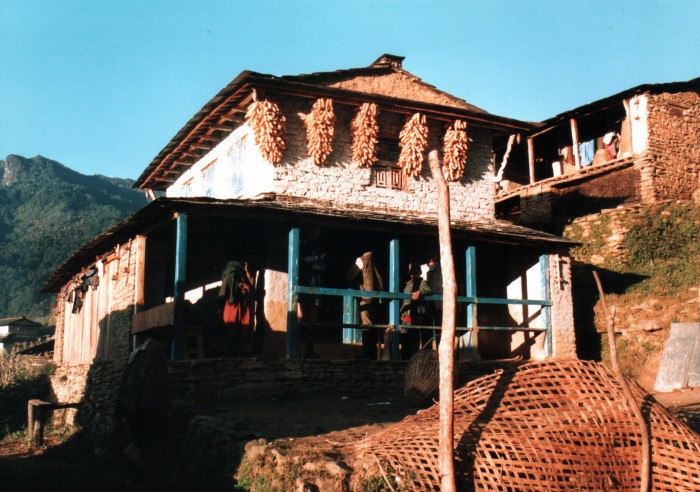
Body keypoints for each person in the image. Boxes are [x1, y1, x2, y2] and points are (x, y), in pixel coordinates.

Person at [116, 333, 170, 479]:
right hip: (141, 406)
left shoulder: (140, 352)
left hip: (129, 404)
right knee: (146, 442)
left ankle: (136, 472)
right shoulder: (156, 354)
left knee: (139, 440)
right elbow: (154, 386)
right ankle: (143, 473)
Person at [346, 251, 384, 359]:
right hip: (376, 298)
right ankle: (373, 354)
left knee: (367, 325)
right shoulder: (375, 261)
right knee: (373, 325)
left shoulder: (362, 260)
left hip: (365, 298)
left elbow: (350, 275)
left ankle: (368, 354)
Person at [298, 226, 327, 358]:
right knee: (302, 319)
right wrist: (316, 258)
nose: (314, 231)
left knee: (313, 321)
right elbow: (302, 261)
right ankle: (297, 349)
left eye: (316, 230)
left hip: (316, 288)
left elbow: (323, 265)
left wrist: (313, 259)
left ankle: (309, 350)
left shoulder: (320, 246)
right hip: (304, 287)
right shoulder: (302, 244)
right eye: (312, 229)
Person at [217, 260, 254, 356]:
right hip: (230, 308)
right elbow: (225, 293)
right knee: (230, 333)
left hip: (240, 306)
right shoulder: (230, 277)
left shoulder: (242, 278)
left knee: (240, 333)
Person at [400, 263, 431, 359]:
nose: (413, 275)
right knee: (404, 336)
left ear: (419, 273)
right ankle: (404, 360)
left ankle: (413, 360)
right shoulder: (407, 284)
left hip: (415, 315)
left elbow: (428, 290)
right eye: (412, 273)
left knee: (414, 338)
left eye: (415, 272)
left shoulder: (422, 282)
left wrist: (419, 292)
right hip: (406, 315)